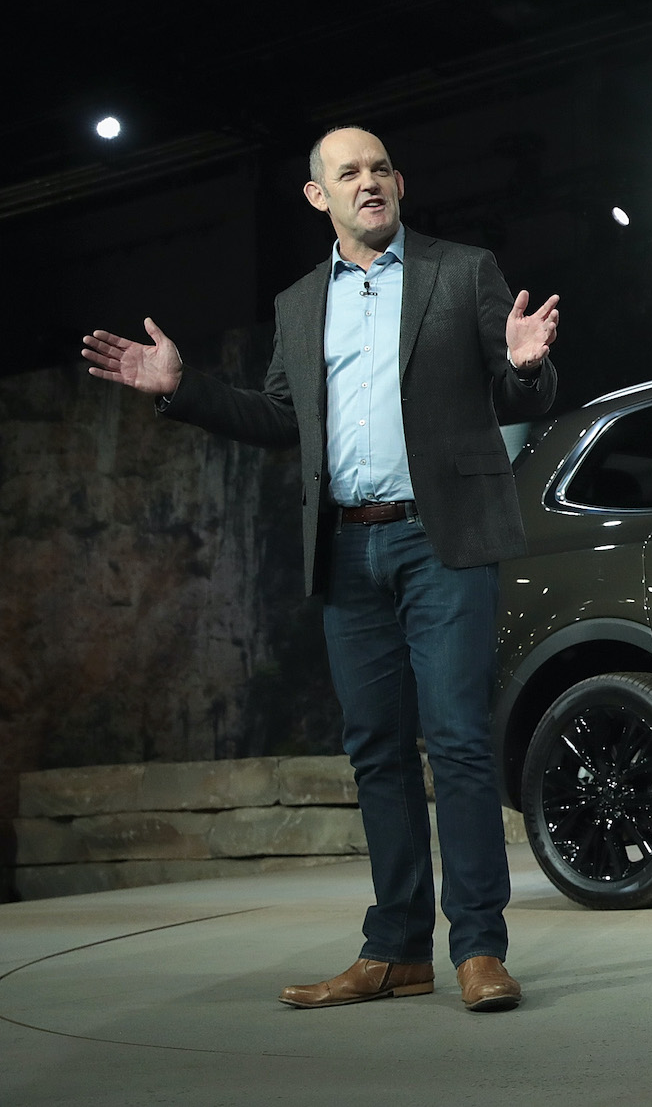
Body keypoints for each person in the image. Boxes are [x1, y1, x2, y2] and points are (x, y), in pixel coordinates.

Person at [82, 126, 560, 1014]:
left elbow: (513, 386)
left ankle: (478, 947)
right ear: (318, 196)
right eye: (349, 172)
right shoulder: (301, 301)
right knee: (376, 749)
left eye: (380, 169)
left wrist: (530, 367)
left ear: (400, 183)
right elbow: (279, 416)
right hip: (345, 546)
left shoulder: (462, 271)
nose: (368, 181)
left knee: (457, 740)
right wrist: (181, 389)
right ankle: (398, 949)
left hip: (442, 539)